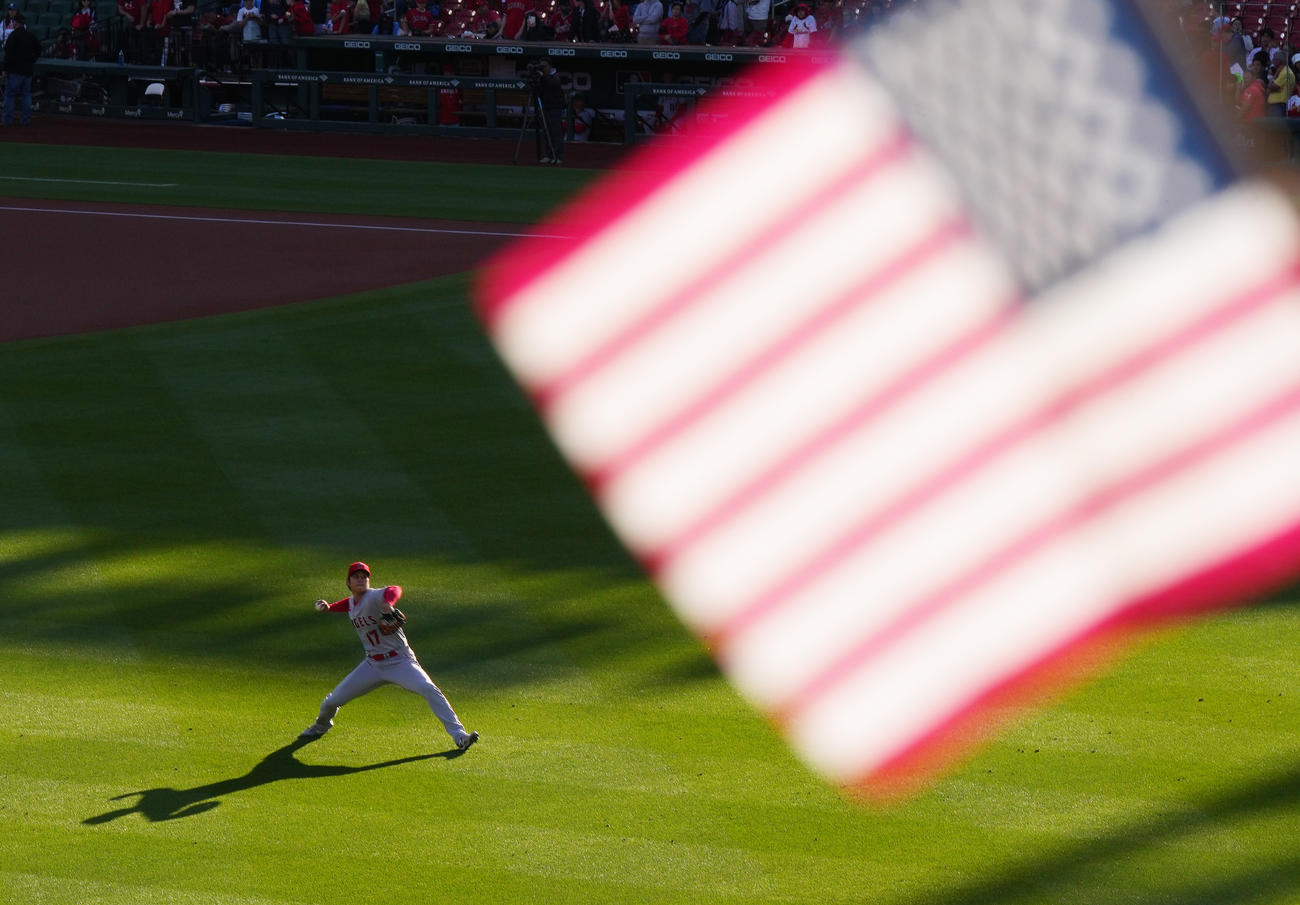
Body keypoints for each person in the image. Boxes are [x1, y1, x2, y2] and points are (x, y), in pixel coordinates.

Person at [299, 562, 480, 751]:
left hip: (400, 661)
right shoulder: (353, 602)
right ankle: (320, 727)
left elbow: (395, 589)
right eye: (356, 577)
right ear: (348, 582)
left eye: (364, 577)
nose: (361, 579)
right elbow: (349, 605)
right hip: (372, 665)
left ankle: (459, 736)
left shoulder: (376, 596)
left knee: (428, 688)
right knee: (332, 701)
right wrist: (329, 608)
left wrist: (388, 603)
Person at [2, 13, 41, 126]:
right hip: (27, 71)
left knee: (9, 96)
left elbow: (8, 54)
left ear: (16, 23)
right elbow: (39, 49)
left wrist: (5, 69)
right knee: (26, 95)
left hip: (14, 71)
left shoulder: (13, 36)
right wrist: (31, 60)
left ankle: (7, 120)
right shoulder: (30, 35)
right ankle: (25, 120)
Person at [534, 57, 565, 164]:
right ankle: (549, 154)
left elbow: (553, 84)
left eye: (545, 66)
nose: (543, 68)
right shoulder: (542, 77)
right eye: (541, 66)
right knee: (546, 132)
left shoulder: (555, 76)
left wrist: (543, 77)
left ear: (550, 66)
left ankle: (558, 156)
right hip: (544, 107)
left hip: (555, 107)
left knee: (556, 132)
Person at [1268, 52, 1294, 117]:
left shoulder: (1285, 72)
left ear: (1279, 60)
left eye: (1274, 58)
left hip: (1278, 106)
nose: (1273, 60)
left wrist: (1274, 77)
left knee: (1276, 126)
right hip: (1276, 105)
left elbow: (1271, 87)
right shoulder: (1282, 71)